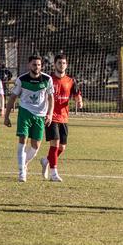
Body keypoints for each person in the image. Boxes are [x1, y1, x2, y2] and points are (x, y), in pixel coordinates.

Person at [3, 55, 54, 182]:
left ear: (41, 66)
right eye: (34, 64)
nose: (36, 67)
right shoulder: (21, 79)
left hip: (40, 115)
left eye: (38, 65)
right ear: (29, 65)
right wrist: (6, 116)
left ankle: (24, 163)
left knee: (35, 146)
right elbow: (13, 98)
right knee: (22, 140)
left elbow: (51, 98)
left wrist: (50, 114)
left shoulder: (47, 79)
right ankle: (21, 173)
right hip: (25, 112)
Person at [40, 55, 83, 183]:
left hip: (64, 117)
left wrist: (79, 101)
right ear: (55, 64)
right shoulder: (48, 79)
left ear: (66, 65)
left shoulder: (70, 80)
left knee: (62, 147)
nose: (61, 65)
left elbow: (76, 94)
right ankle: (54, 174)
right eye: (59, 63)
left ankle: (46, 160)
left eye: (64, 63)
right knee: (55, 144)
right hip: (51, 116)